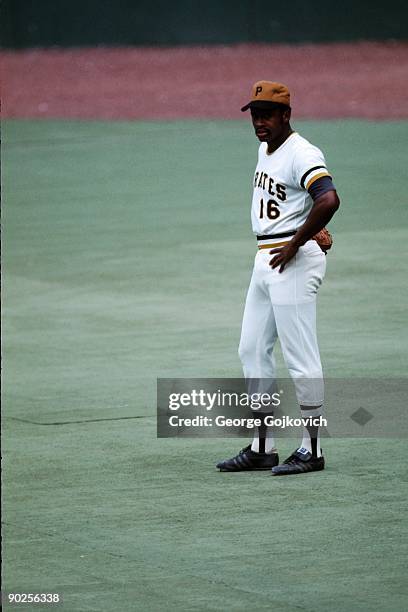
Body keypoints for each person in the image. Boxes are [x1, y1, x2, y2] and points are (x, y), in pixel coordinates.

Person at [216, 81, 340, 475]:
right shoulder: (264, 149)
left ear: (286, 114)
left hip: (293, 260)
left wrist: (299, 239)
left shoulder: (302, 152)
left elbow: (328, 198)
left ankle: (312, 450)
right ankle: (262, 447)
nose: (259, 122)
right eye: (255, 114)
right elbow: (293, 202)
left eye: (267, 114)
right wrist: (303, 228)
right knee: (251, 349)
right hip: (267, 259)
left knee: (301, 358)